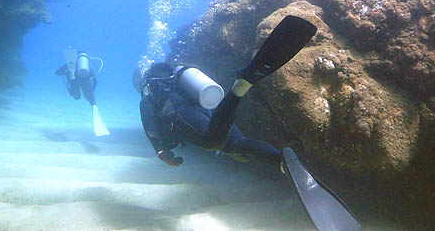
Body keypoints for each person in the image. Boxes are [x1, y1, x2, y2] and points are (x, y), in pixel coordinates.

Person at [138, 15, 361, 231]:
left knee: (212, 141)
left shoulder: (150, 94)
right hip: (209, 107)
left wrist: (160, 150)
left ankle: (240, 87)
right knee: (237, 144)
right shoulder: (176, 81)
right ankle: (280, 161)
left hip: (182, 114)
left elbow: (149, 122)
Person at [56, 49, 109, 136]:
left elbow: (57, 73)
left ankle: (78, 95)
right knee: (91, 100)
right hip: (86, 81)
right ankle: (94, 106)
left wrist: (66, 73)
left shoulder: (71, 65)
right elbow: (95, 82)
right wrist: (92, 91)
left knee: (76, 97)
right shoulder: (87, 67)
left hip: (74, 81)